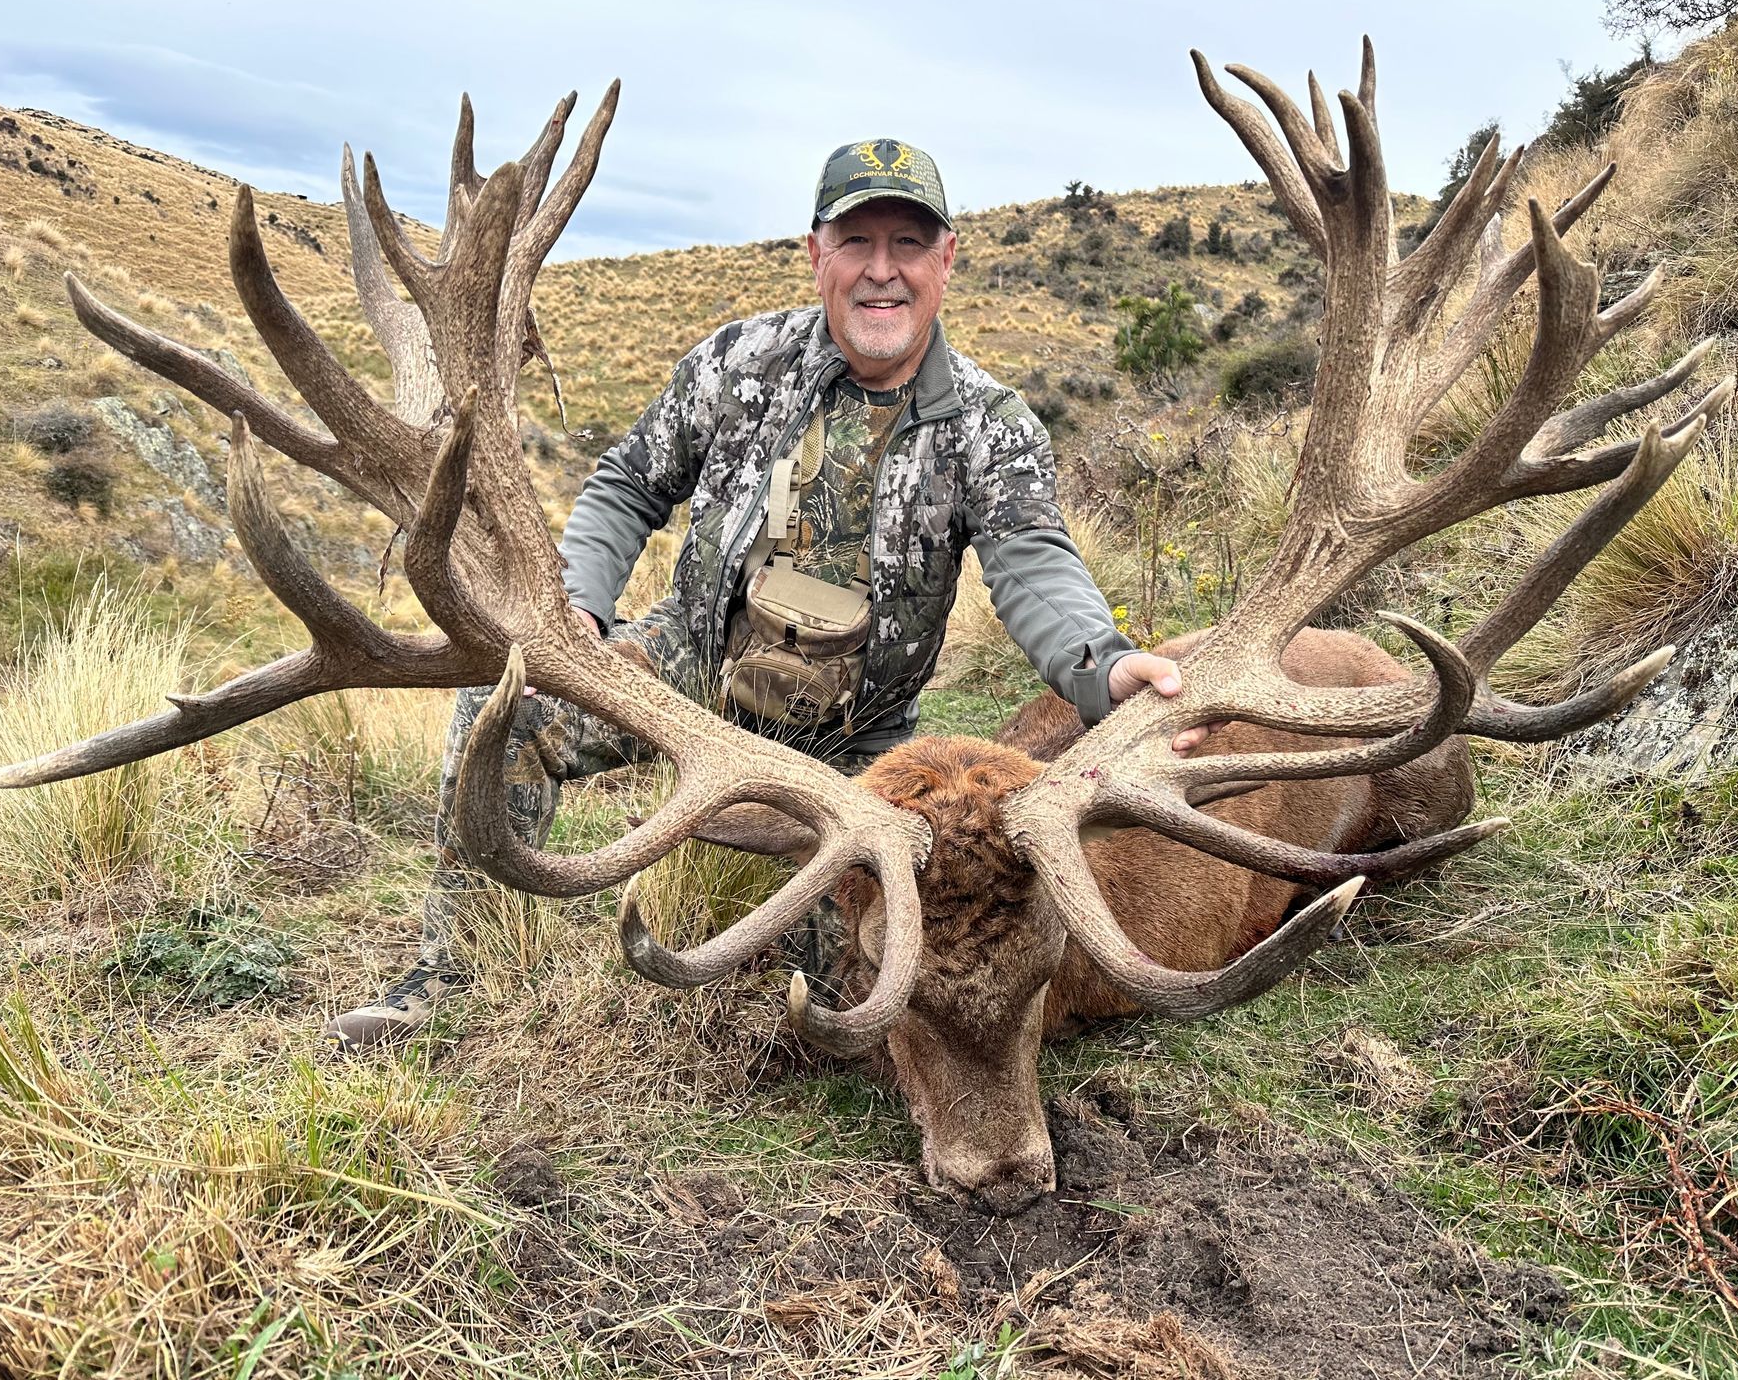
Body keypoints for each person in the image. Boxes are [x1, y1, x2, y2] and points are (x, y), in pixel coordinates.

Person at [324, 138, 1206, 1051]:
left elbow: (1032, 560)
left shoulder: (991, 427)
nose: (881, 271)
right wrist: (576, 606)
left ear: (947, 259)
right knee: (506, 708)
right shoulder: (739, 363)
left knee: (855, 998)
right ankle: (455, 973)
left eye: (908, 243)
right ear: (814, 252)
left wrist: (1103, 667)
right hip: (688, 664)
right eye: (855, 241)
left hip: (854, 745)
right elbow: (630, 482)